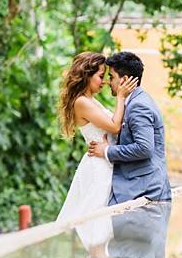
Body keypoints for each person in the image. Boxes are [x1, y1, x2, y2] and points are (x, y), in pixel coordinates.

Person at [56, 52, 138, 248]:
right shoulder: (81, 102)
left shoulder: (90, 100)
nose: (104, 82)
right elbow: (114, 126)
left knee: (102, 218)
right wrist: (120, 96)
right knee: (95, 218)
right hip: (99, 166)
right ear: (87, 75)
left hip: (105, 160)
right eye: (101, 76)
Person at [87, 51, 172, 204]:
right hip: (137, 191)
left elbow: (144, 148)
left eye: (112, 77)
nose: (108, 82)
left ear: (124, 80)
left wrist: (106, 151)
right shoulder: (134, 102)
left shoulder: (138, 106)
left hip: (144, 193)